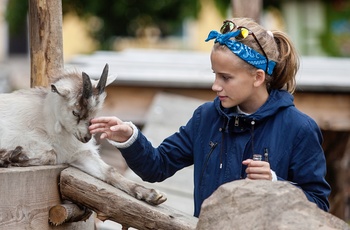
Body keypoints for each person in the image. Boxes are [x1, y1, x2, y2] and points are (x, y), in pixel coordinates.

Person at [89, 17, 331, 217]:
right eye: (215, 74)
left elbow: (319, 206)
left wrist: (276, 184)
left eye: (226, 78)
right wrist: (130, 138)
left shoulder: (299, 128)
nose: (215, 86)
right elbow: (157, 166)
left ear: (258, 77)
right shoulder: (206, 117)